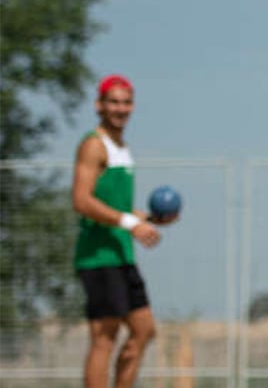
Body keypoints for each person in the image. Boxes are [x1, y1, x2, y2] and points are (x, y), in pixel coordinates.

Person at [71, 74, 176, 388]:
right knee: (104, 337)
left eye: (126, 102)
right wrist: (130, 223)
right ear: (99, 105)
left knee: (144, 331)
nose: (121, 108)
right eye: (114, 102)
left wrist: (150, 219)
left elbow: (117, 207)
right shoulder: (94, 145)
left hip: (122, 255)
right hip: (98, 256)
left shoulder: (122, 148)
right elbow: (81, 200)